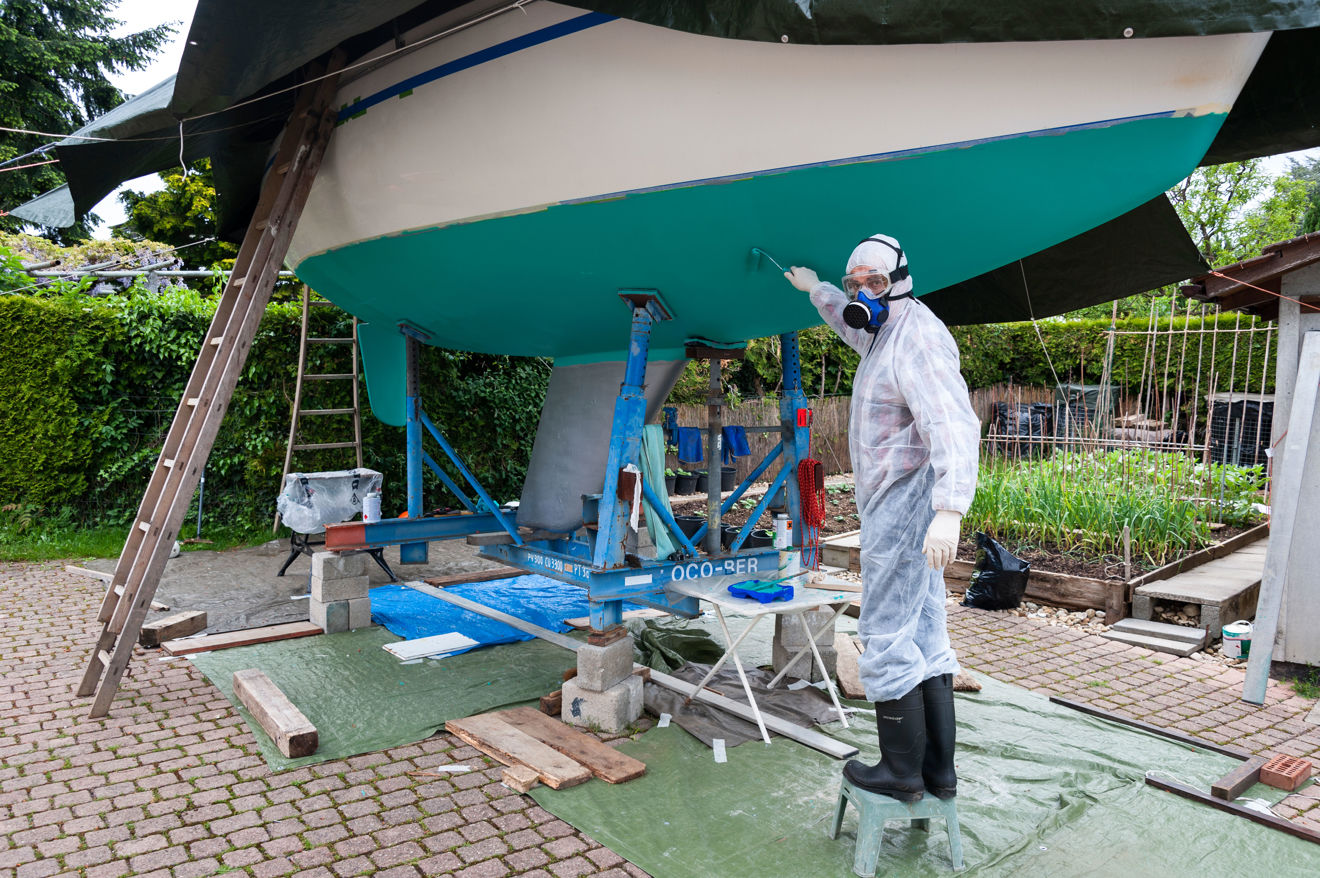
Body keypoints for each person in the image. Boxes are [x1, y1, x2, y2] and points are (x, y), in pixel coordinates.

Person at [785, 234, 980, 802]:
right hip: (899, 499)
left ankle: (899, 772)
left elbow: (954, 425)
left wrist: (949, 510)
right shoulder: (884, 329)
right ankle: (938, 773)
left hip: (906, 501)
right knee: (923, 628)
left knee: (885, 630)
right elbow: (854, 326)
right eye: (854, 285)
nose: (862, 295)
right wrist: (818, 291)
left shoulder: (916, 337)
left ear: (900, 280)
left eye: (873, 282)